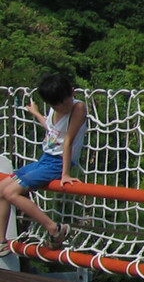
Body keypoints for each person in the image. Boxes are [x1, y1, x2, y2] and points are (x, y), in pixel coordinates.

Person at [1, 72, 87, 250]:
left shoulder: (78, 108)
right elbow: (52, 130)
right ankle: (1, 242)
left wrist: (65, 174)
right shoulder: (54, 108)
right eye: (56, 106)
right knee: (2, 190)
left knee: (11, 193)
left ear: (72, 92)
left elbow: (68, 140)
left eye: (64, 103)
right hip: (45, 159)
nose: (61, 108)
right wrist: (36, 113)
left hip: (59, 162)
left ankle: (54, 229)